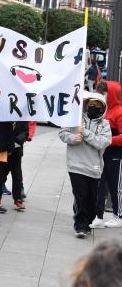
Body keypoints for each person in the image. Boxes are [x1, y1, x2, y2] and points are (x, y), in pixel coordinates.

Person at [59, 92, 111, 238]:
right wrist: (73, 137)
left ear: (102, 108)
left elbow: (103, 142)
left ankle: (87, 221)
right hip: (75, 165)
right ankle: (80, 226)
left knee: (91, 198)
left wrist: (86, 134)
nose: (93, 107)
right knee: (80, 195)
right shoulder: (75, 119)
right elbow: (63, 133)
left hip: (94, 167)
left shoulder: (105, 125)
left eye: (97, 105)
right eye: (91, 104)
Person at [92, 81, 122, 228]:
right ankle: (98, 215)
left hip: (116, 154)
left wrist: (108, 140)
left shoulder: (119, 112)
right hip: (105, 152)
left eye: (104, 93)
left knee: (115, 186)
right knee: (101, 184)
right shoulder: (107, 111)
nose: (102, 95)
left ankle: (118, 215)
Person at [0, 122, 29, 211]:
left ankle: (18, 199)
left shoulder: (22, 117)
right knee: (1, 176)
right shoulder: (4, 115)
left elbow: (25, 132)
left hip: (16, 151)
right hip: (3, 151)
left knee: (17, 176)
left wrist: (16, 140)